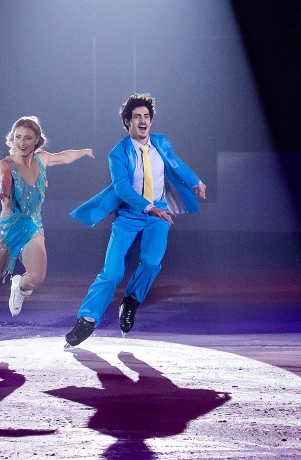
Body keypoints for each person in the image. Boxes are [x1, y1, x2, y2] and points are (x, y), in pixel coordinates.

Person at [0, 116, 94, 354]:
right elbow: (4, 181)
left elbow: (63, 156)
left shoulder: (42, 159)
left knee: (38, 277)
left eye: (28, 138)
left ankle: (20, 286)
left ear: (36, 141)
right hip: (5, 228)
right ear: (12, 139)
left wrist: (84, 151)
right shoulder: (6, 164)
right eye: (18, 137)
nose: (22, 142)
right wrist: (4, 192)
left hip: (31, 226)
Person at [64, 93, 206, 347]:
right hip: (130, 215)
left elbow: (176, 162)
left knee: (151, 262)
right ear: (127, 122)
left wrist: (195, 181)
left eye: (146, 116)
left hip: (159, 215)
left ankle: (131, 301)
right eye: (137, 117)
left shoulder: (161, 143)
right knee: (112, 272)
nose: (143, 120)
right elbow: (122, 189)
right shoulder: (118, 153)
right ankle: (87, 319)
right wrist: (149, 207)